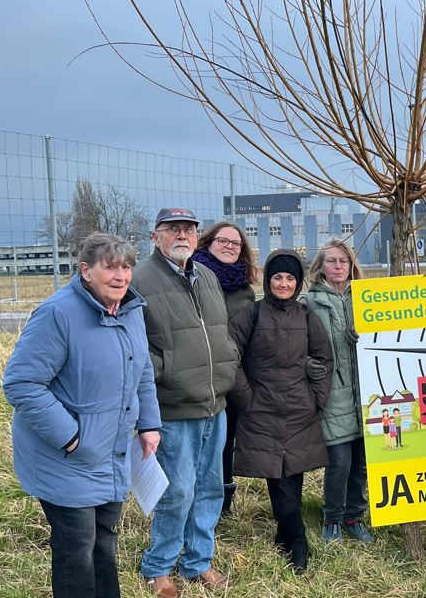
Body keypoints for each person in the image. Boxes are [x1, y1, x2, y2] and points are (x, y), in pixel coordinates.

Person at [2, 233, 161, 598]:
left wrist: (149, 423)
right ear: (86, 271)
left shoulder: (131, 310)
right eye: (110, 267)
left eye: (126, 267)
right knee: (77, 547)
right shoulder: (58, 314)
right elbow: (22, 383)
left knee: (103, 541)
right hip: (65, 457)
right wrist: (71, 437)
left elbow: (143, 372)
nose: (121, 276)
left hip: (113, 452)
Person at [134, 208, 239, 597]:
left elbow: (221, 332)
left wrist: (228, 362)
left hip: (215, 403)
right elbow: (135, 344)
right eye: (172, 229)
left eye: (188, 229)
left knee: (210, 487)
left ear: (197, 236)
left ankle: (198, 562)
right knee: (177, 490)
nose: (181, 235)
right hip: (174, 406)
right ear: (155, 236)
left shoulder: (207, 276)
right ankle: (159, 566)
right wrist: (167, 369)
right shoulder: (141, 279)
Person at [229, 249, 334, 574]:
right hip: (262, 412)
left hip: (300, 412)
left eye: (290, 277)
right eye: (278, 277)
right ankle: (297, 539)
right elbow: (228, 353)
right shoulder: (252, 314)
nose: (284, 283)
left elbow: (325, 359)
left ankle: (286, 534)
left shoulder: (306, 317)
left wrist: (316, 397)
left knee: (292, 476)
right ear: (268, 279)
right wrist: (246, 397)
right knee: (276, 476)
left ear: (299, 282)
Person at [303, 239, 376, 545]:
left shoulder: (368, 299)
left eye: (343, 261)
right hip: (334, 392)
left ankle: (354, 517)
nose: (338, 266)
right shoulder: (308, 304)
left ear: (351, 266)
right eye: (331, 261)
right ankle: (332, 518)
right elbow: (298, 346)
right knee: (339, 462)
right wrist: (309, 365)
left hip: (368, 391)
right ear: (320, 267)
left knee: (361, 461)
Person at [193, 221, 258, 517]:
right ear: (208, 242)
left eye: (236, 243)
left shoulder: (244, 290)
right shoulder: (191, 276)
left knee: (226, 441)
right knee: (198, 441)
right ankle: (194, 498)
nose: (230, 246)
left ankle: (223, 498)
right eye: (224, 240)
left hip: (233, 375)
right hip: (197, 375)